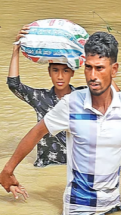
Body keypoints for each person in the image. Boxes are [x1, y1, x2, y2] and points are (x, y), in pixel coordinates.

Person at [0, 32, 121, 215]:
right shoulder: (71, 104)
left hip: (113, 206)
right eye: (88, 68)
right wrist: (7, 171)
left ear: (114, 70)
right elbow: (36, 133)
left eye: (99, 68)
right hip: (81, 212)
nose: (92, 76)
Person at [8, 24, 85, 167]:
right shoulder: (40, 98)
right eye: (55, 71)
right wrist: (16, 50)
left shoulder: (82, 96)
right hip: (45, 165)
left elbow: (109, 90)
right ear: (49, 73)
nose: (60, 76)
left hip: (74, 167)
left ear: (73, 73)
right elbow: (14, 85)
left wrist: (89, 54)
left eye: (66, 71)